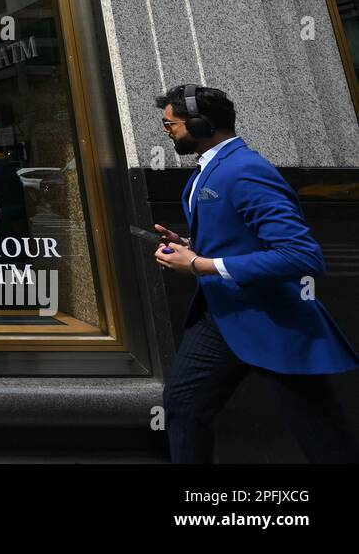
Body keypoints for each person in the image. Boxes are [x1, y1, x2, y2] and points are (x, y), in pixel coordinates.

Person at [153, 84, 359, 463]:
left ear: (200, 124)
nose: (166, 131)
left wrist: (199, 265)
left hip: (273, 320)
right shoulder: (213, 167)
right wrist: (191, 246)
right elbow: (239, 236)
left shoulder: (245, 170)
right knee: (183, 404)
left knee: (321, 434)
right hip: (221, 317)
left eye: (171, 123)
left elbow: (302, 256)